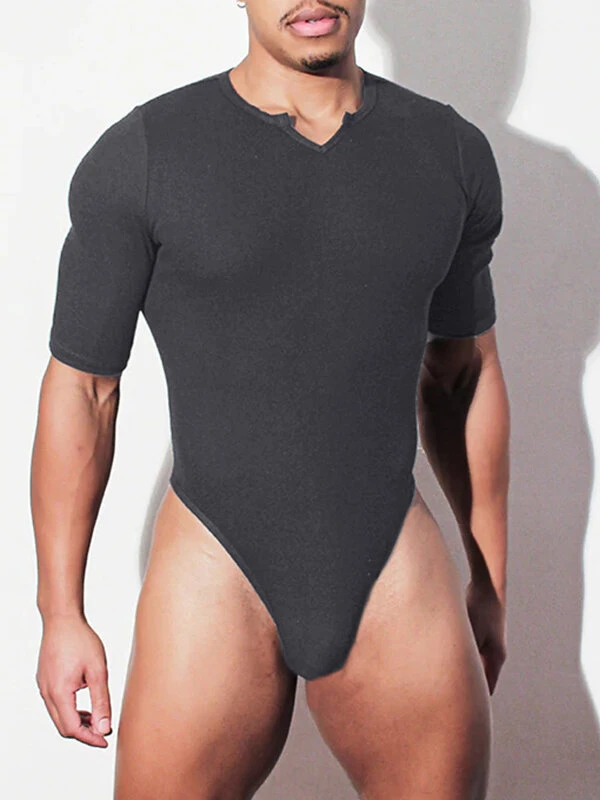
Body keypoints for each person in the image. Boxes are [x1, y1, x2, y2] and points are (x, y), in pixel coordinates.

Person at [31, 1, 510, 797]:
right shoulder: (146, 154)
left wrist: (491, 584)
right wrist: (61, 613)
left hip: (390, 567)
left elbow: (462, 375)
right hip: (212, 565)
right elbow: (85, 386)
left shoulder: (448, 152)